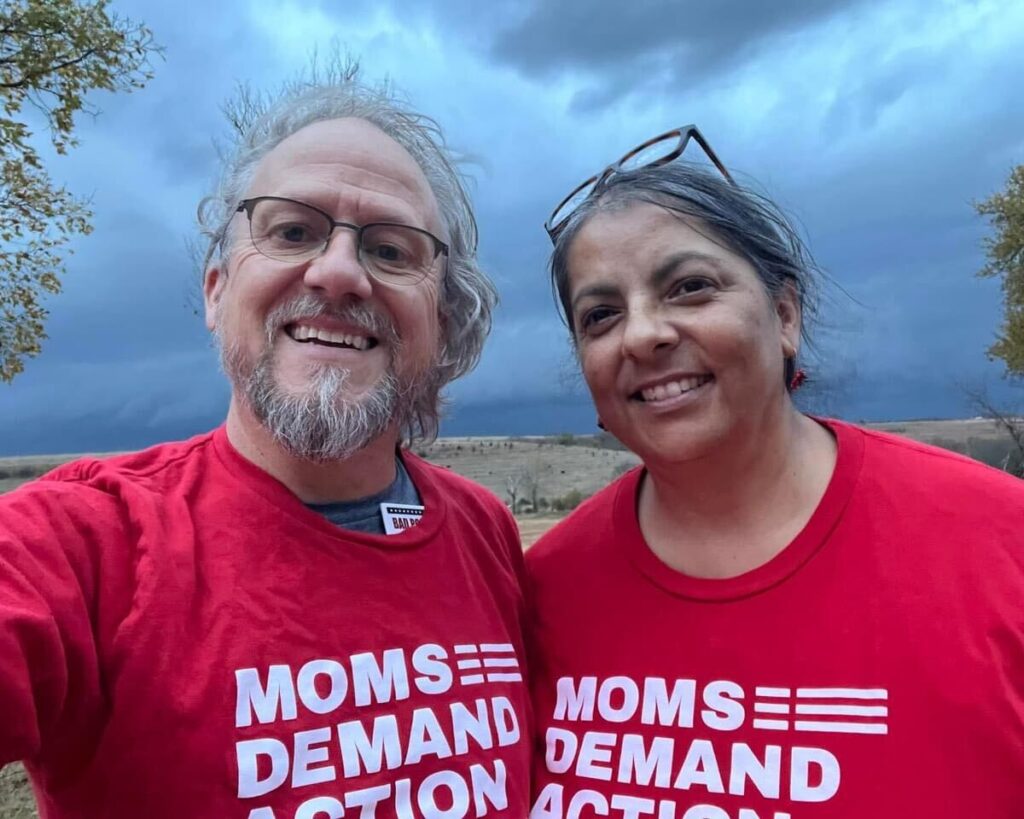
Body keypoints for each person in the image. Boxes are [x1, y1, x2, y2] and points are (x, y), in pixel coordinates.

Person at [0, 76, 531, 818]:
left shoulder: (487, 534)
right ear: (217, 290)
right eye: (291, 231)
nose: (340, 271)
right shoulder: (85, 544)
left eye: (391, 248)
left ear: (440, 322)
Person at [527, 126, 1024, 818]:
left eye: (690, 287)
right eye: (601, 315)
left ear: (784, 314)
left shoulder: (1001, 543)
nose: (642, 334)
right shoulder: (541, 590)